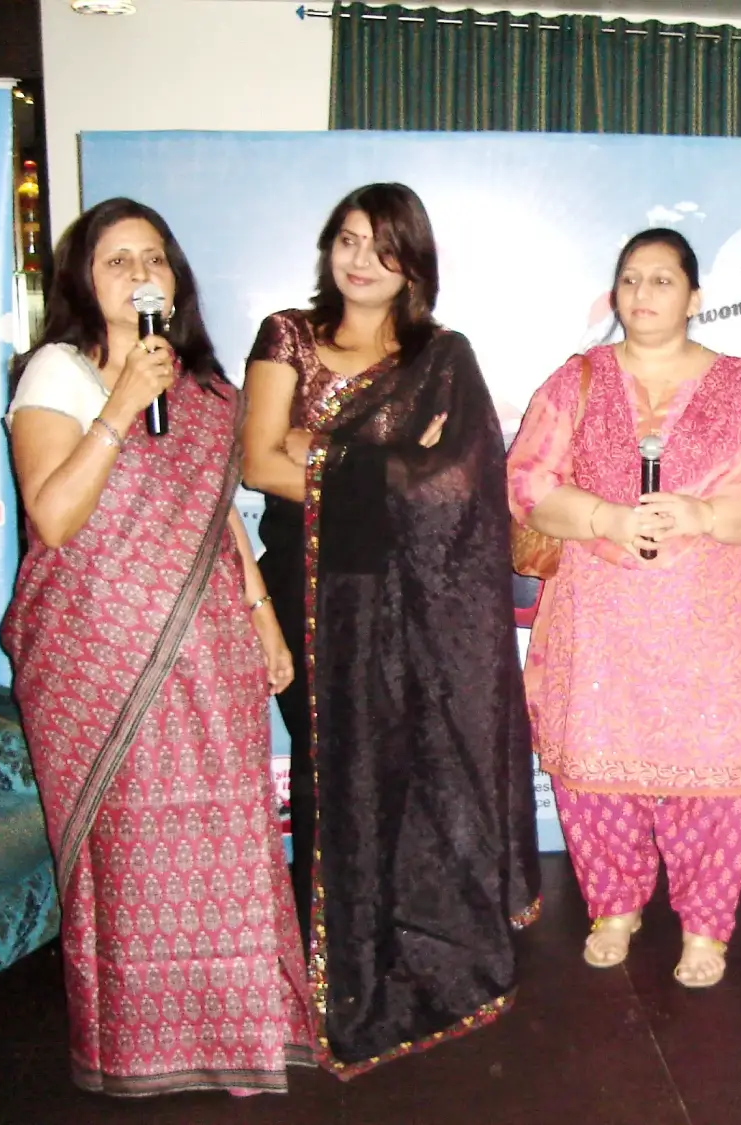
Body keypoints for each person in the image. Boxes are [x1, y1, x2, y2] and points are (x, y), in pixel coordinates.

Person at [0, 198, 313, 1096]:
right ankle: (138, 1047)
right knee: (130, 853)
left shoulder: (210, 394)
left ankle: (242, 1033)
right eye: (115, 261)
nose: (140, 274)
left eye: (154, 259)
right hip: (96, 656)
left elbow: (215, 526)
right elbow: (55, 518)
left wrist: (263, 618)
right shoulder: (57, 373)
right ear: (83, 284)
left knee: (221, 838)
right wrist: (123, 405)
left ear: (177, 279)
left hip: (206, 649)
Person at [241, 182, 540, 1077]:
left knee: (414, 767)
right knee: (334, 779)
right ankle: (332, 970)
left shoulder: (444, 355)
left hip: (416, 599)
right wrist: (387, 468)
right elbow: (259, 460)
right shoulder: (286, 335)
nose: (359, 259)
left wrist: (324, 455)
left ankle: (416, 944)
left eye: (380, 243)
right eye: (345, 239)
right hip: (307, 585)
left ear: (414, 258)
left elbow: (465, 483)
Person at [507, 227, 741, 988]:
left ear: (695, 297)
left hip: (711, 620)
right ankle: (614, 905)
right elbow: (527, 484)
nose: (643, 295)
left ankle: (707, 925)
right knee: (595, 768)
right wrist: (607, 517)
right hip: (602, 616)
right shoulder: (575, 380)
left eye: (662, 280)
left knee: (711, 770)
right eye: (630, 279)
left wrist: (704, 516)